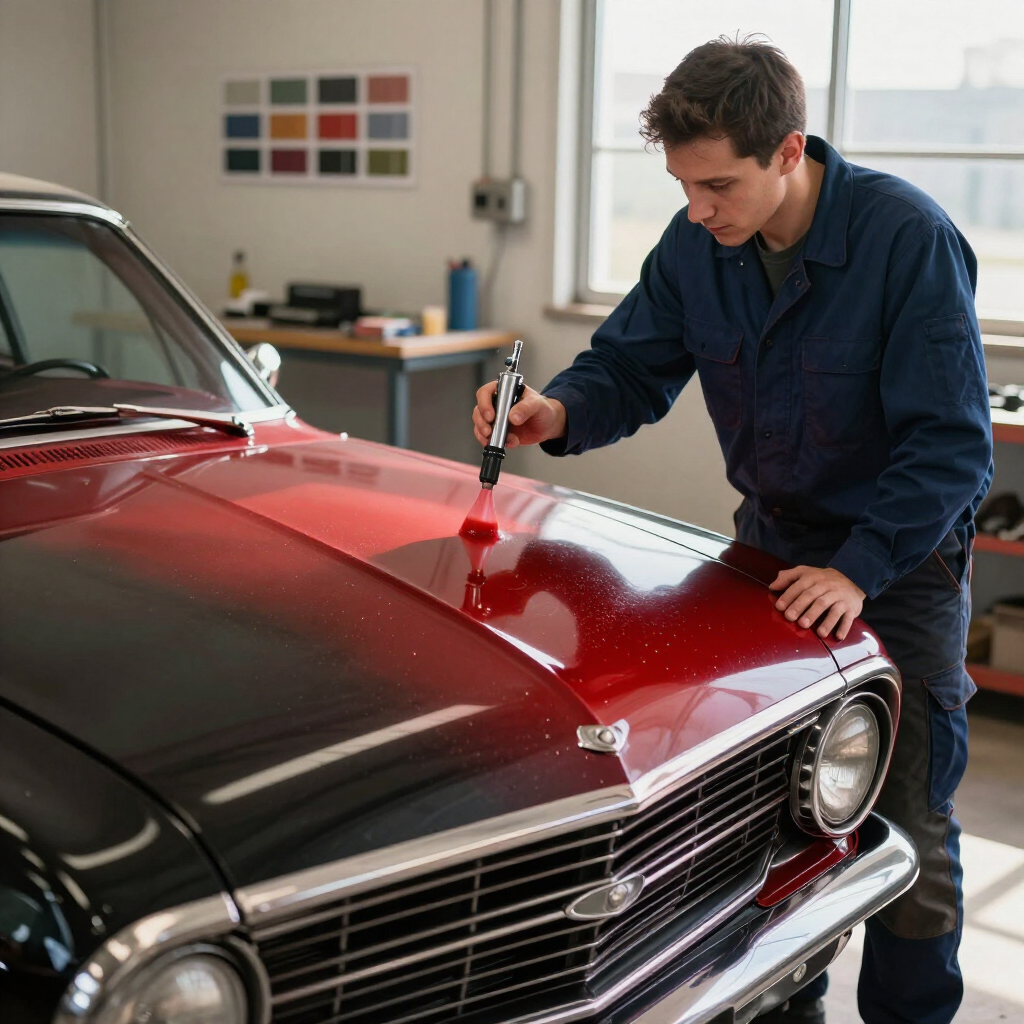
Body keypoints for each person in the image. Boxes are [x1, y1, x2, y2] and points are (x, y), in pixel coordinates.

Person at [472, 36, 992, 1024]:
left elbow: (951, 444)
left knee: (906, 823)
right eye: (682, 187)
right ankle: (783, 1003)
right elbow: (628, 368)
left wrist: (856, 568)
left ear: (788, 151)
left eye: (717, 185)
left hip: (899, 572)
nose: (698, 210)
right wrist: (557, 412)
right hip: (764, 558)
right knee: (771, 821)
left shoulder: (904, 241)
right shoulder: (693, 244)